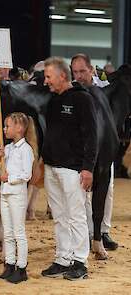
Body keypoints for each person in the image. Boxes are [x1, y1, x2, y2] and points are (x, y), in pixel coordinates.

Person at [41, 57, 98, 280]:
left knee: (76, 215)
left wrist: (88, 168)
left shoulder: (82, 99)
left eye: (48, 76)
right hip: (51, 167)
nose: (46, 81)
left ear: (62, 76)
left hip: (73, 169)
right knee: (59, 215)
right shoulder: (53, 100)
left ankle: (80, 262)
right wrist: (42, 161)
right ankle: (63, 258)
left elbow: (92, 136)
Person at [71, 53, 118, 251]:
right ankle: (88, 234)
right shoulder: (71, 93)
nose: (79, 76)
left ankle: (102, 232)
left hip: (104, 149)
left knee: (107, 191)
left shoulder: (103, 91)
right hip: (80, 153)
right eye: (75, 72)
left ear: (92, 70)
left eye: (83, 71)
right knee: (81, 196)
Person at [0, 112, 34, 284]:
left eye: (7, 126)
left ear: (19, 128)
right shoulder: (8, 149)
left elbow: (26, 174)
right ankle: (9, 264)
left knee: (19, 232)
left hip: (17, 193)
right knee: (8, 232)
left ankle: (22, 267)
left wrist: (9, 178)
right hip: (5, 192)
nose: (4, 129)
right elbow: (0, 170)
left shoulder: (26, 150)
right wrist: (0, 158)